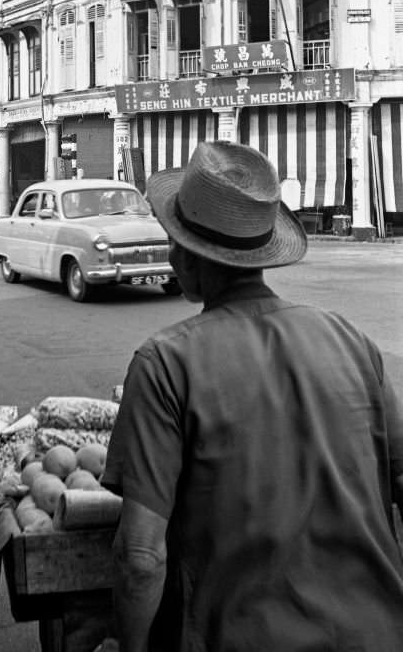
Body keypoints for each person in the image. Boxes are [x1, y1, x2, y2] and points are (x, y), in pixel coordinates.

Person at [102, 141, 403, 652]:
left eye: (174, 240)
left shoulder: (165, 362)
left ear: (190, 254)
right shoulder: (351, 340)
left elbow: (140, 556)